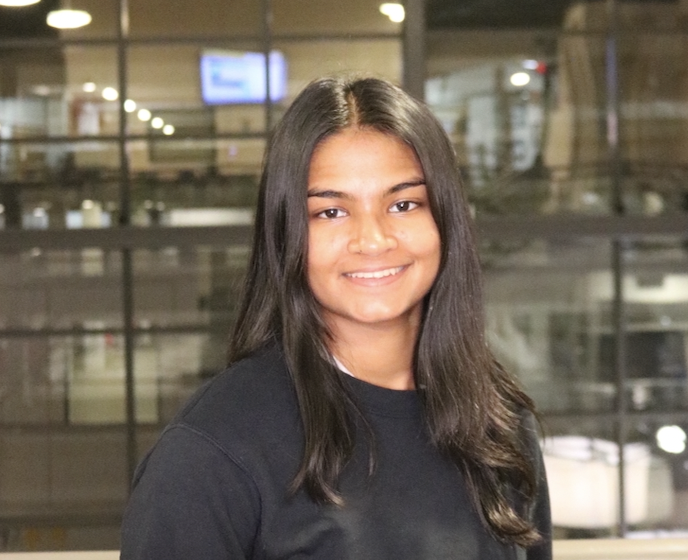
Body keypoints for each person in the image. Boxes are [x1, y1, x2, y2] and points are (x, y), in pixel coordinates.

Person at [120, 76, 552, 560]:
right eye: (330, 212)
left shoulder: (499, 424)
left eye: (403, 203)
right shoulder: (212, 452)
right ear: (287, 234)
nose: (373, 239)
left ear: (445, 219)